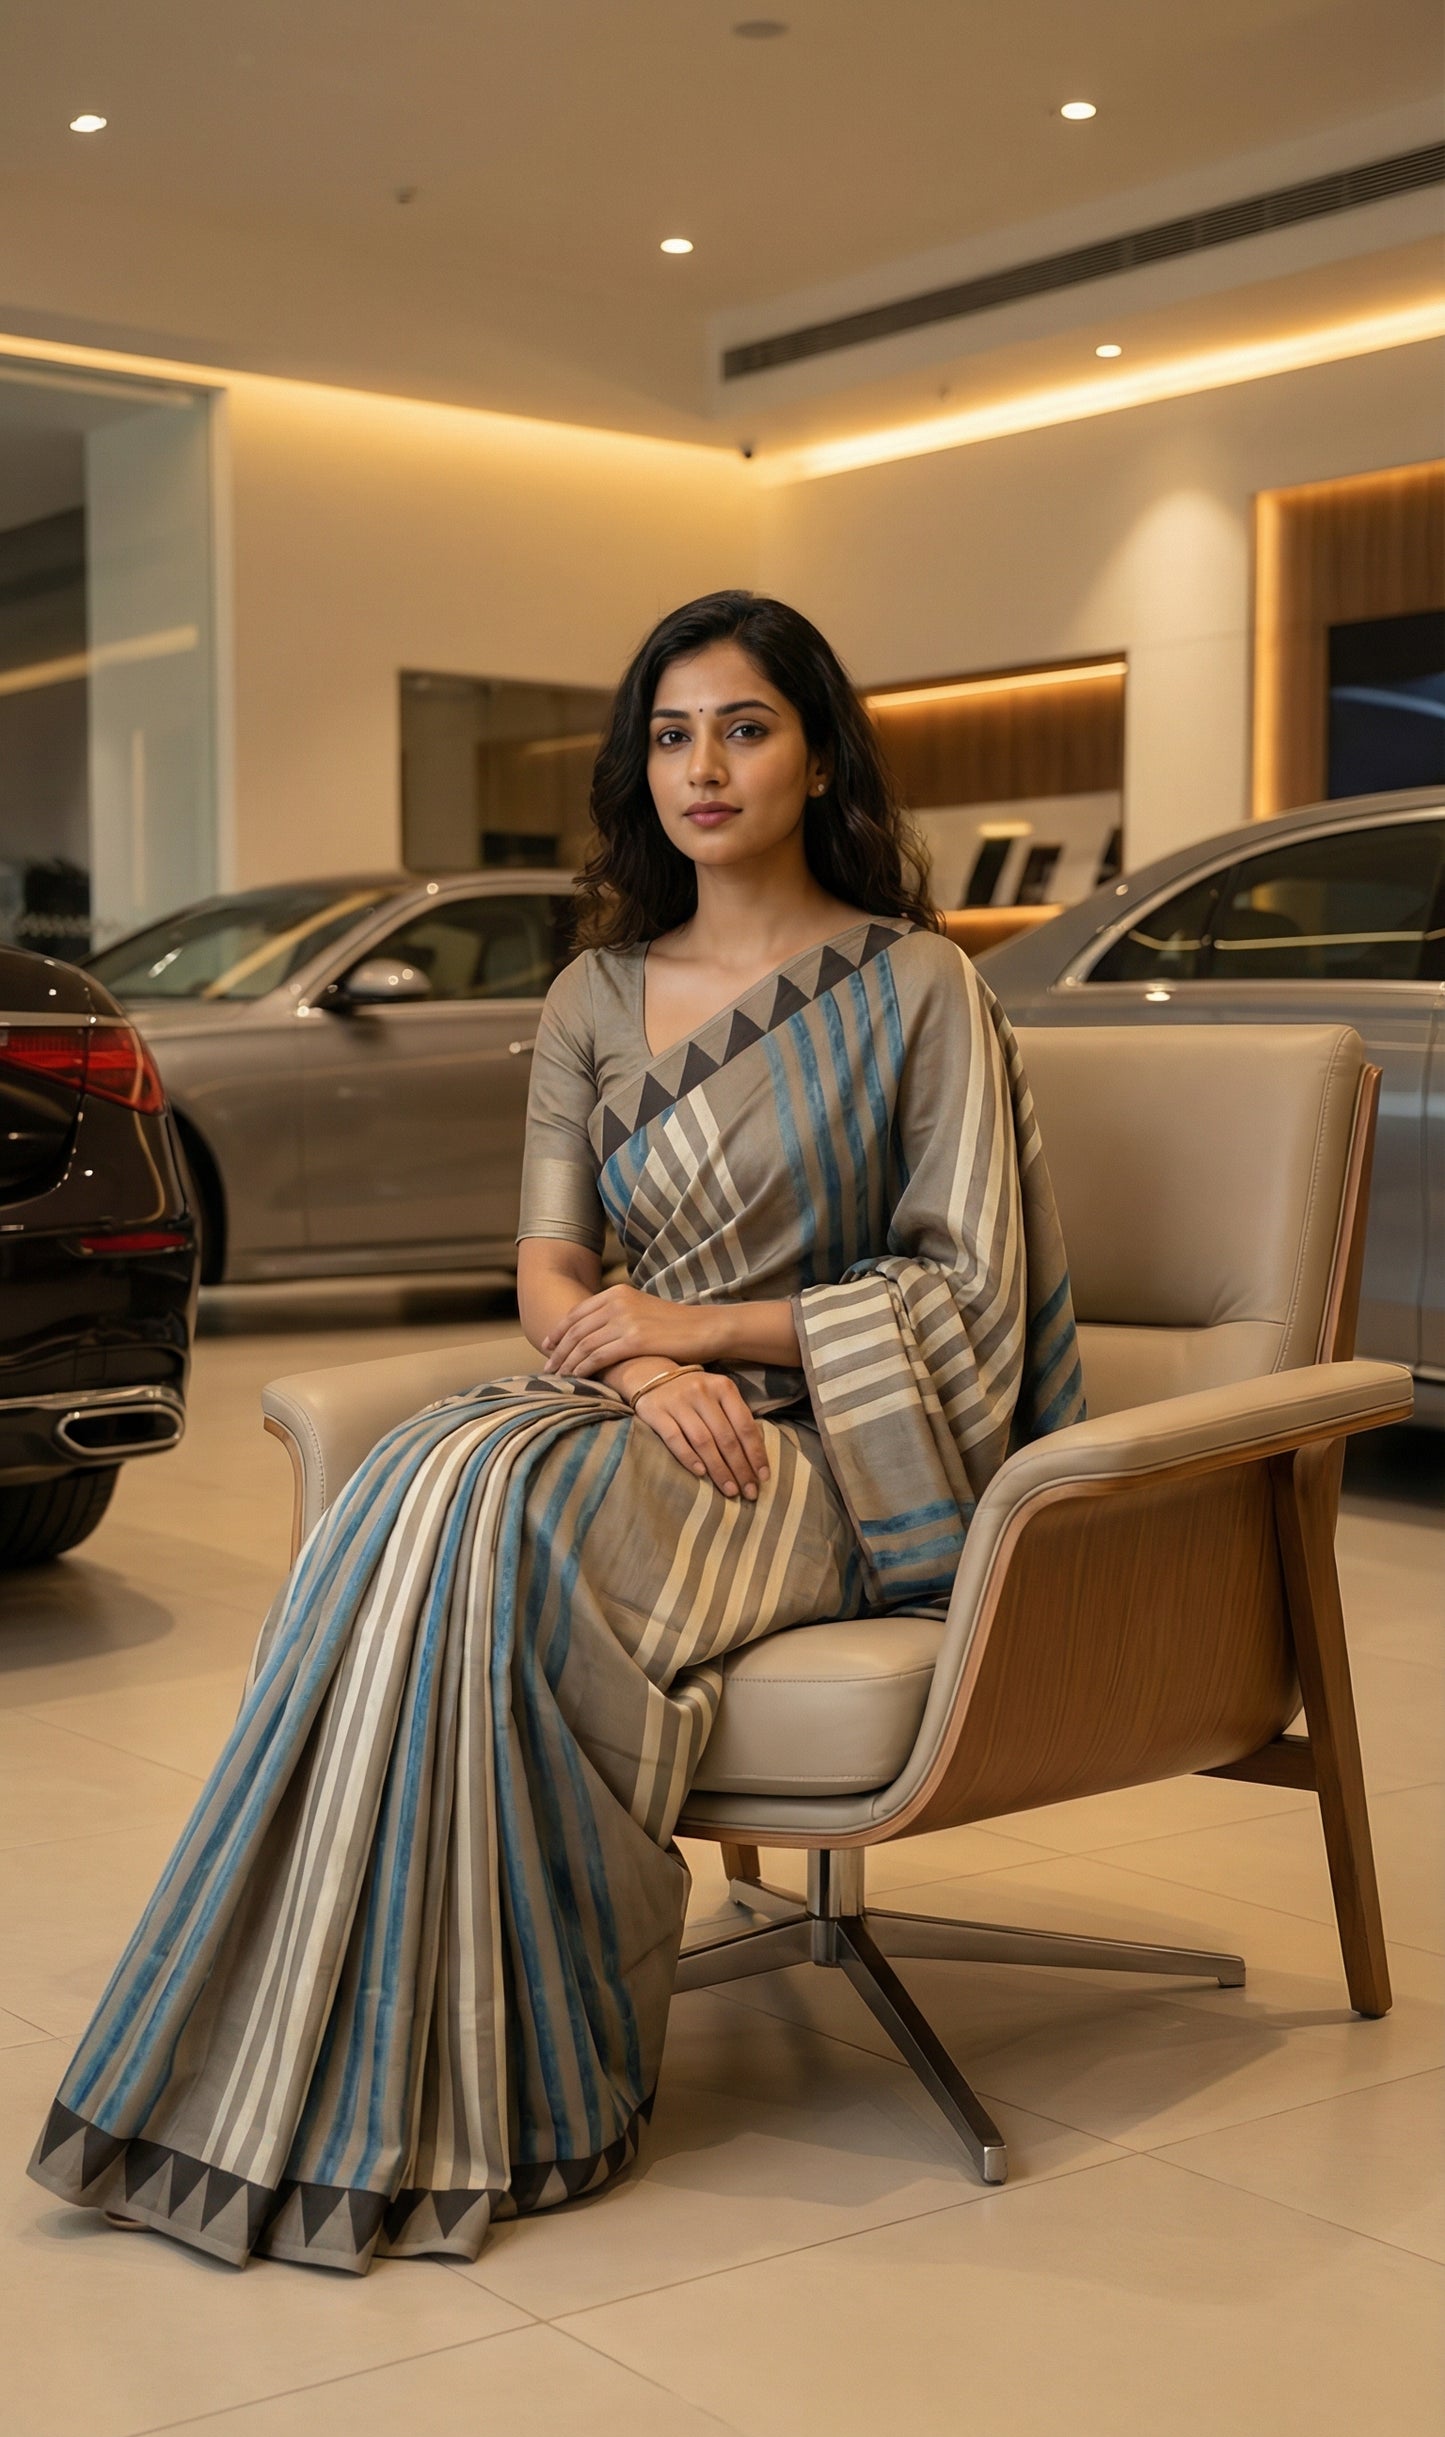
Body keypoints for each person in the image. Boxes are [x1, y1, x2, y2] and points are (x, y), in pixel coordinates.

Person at [29, 592, 1083, 2273]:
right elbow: (546, 1262)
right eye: (669, 735)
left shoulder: (919, 990)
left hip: (820, 1438)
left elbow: (963, 1290)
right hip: (628, 1406)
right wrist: (636, 1362)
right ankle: (316, 2043)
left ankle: (519, 2079)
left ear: (818, 754)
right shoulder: (596, 988)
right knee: (411, 1485)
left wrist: (707, 1334)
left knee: (501, 1517)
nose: (703, 766)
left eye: (743, 725)